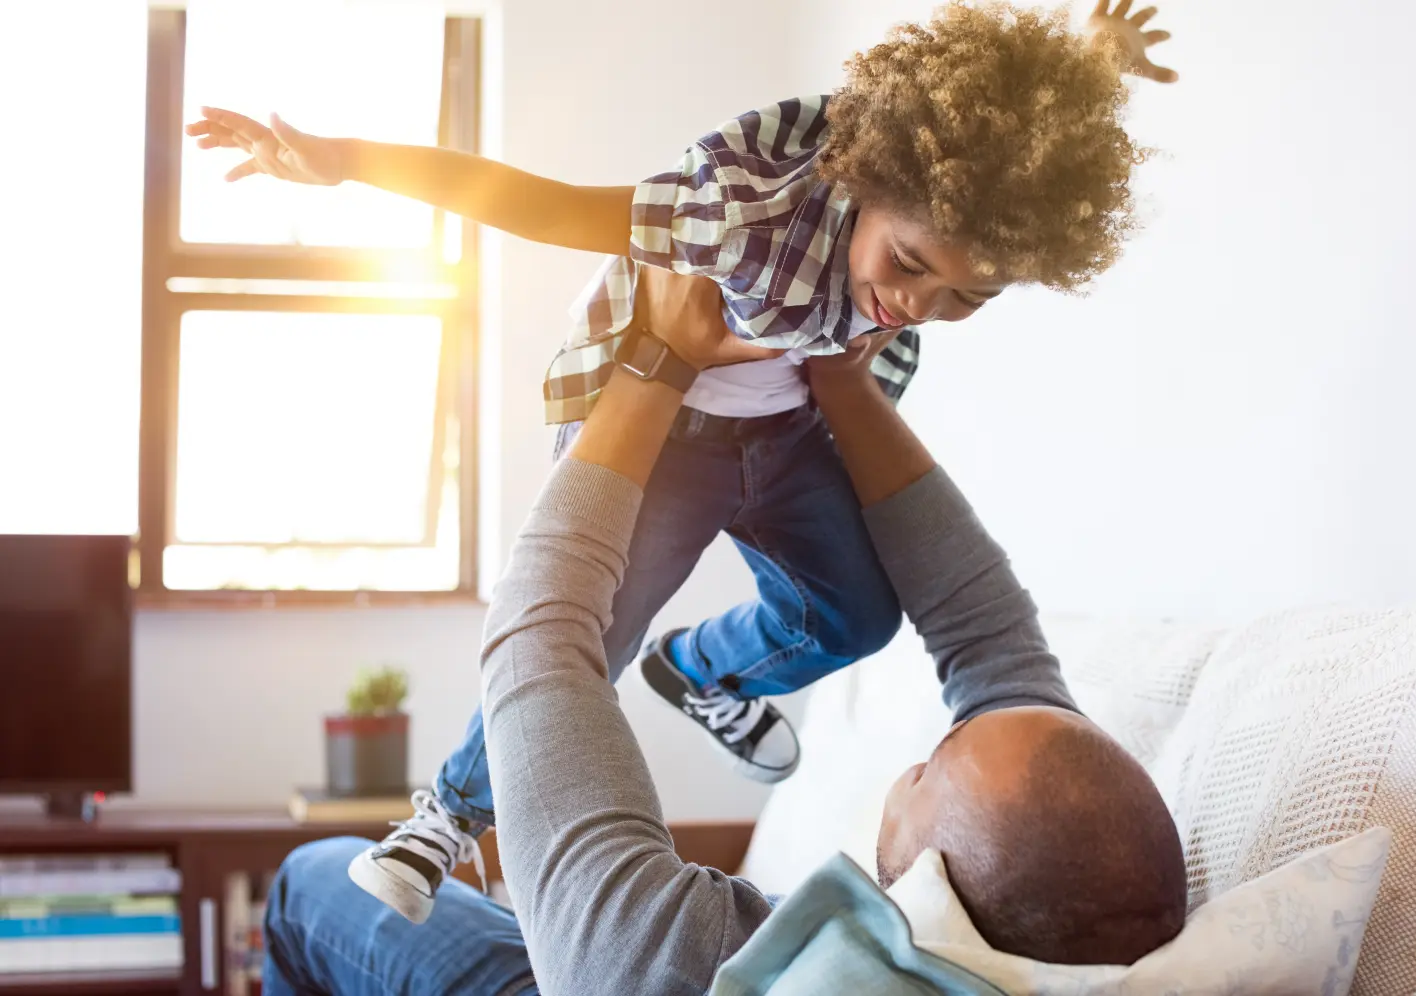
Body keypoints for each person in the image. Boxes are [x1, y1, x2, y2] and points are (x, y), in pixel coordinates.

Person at [189, 0, 1178, 924]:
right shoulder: (738, 217)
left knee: (859, 614)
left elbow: (1003, 130)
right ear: (863, 186)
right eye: (911, 266)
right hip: (673, 431)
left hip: (786, 432)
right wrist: (347, 160)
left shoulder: (954, 213)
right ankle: (445, 817)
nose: (921, 306)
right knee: (590, 643)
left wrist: (1092, 66)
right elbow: (534, 202)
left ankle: (703, 673)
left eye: (967, 297)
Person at [261, 266, 1188, 996]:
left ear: (923, 888)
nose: (926, 750)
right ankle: (699, 668)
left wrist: (656, 361)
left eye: (929, 769)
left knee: (313, 880)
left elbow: (543, 638)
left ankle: (455, 809)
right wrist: (834, 363)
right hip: (781, 416)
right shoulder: (1065, 939)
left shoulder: (664, 962)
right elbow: (986, 632)